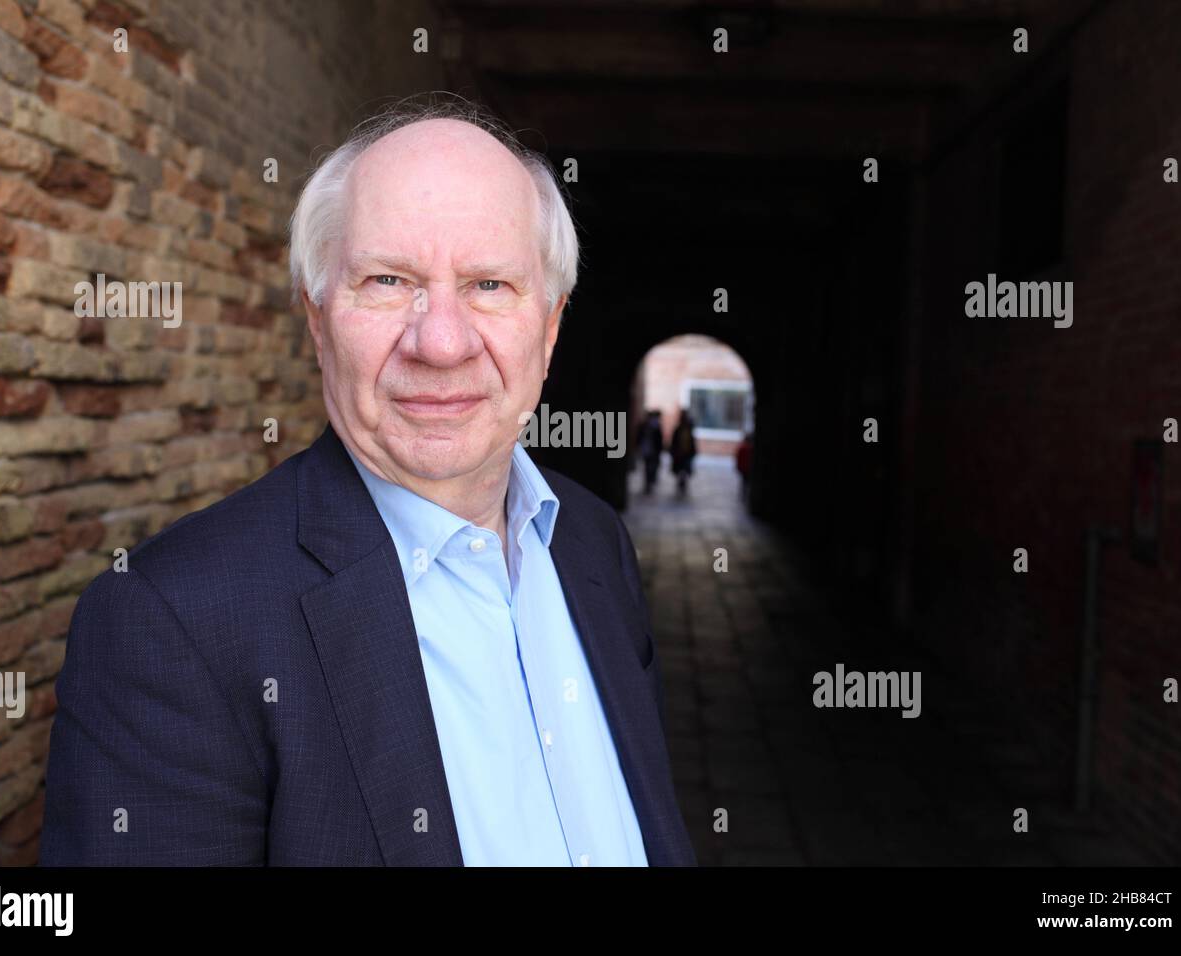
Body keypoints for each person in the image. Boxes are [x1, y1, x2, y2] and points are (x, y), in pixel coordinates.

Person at [40, 98, 695, 868]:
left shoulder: (593, 540)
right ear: (317, 321)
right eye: (387, 280)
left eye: (489, 285)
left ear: (549, 329)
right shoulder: (170, 624)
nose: (441, 341)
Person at [668, 410, 697, 495]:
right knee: (680, 470)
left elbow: (692, 442)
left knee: (684, 470)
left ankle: (683, 484)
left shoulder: (688, 429)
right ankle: (681, 484)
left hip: (686, 454)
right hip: (679, 454)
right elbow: (674, 442)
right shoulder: (678, 429)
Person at [636, 409, 663, 493]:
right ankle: (648, 482)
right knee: (648, 466)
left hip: (653, 450)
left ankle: (650, 481)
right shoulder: (644, 426)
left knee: (652, 466)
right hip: (647, 449)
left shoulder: (656, 426)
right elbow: (639, 437)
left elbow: (659, 439)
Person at [735, 430, 753, 502]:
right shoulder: (749, 448)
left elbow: (738, 458)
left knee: (744, 482)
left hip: (744, 468)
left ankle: (744, 494)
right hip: (747, 468)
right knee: (746, 482)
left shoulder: (742, 447)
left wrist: (738, 467)